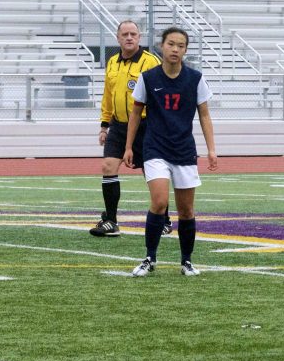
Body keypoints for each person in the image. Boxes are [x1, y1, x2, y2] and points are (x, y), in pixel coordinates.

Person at [123, 26, 218, 276]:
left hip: (184, 150)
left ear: (185, 50)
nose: (175, 49)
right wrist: (128, 147)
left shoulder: (195, 79)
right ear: (161, 46)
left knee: (186, 210)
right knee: (159, 201)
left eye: (181, 45)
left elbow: (205, 115)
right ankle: (149, 258)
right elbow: (135, 113)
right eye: (171, 44)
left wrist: (211, 150)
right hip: (155, 148)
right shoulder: (148, 78)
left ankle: (186, 261)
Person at [90, 20, 170, 237]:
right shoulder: (112, 62)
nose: (129, 37)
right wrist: (104, 125)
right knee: (108, 166)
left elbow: (161, 94)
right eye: (124, 34)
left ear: (139, 37)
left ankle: (164, 219)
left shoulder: (150, 62)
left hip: (146, 126)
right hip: (118, 125)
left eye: (133, 34)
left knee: (151, 173)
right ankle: (111, 221)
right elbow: (108, 96)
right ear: (117, 38)